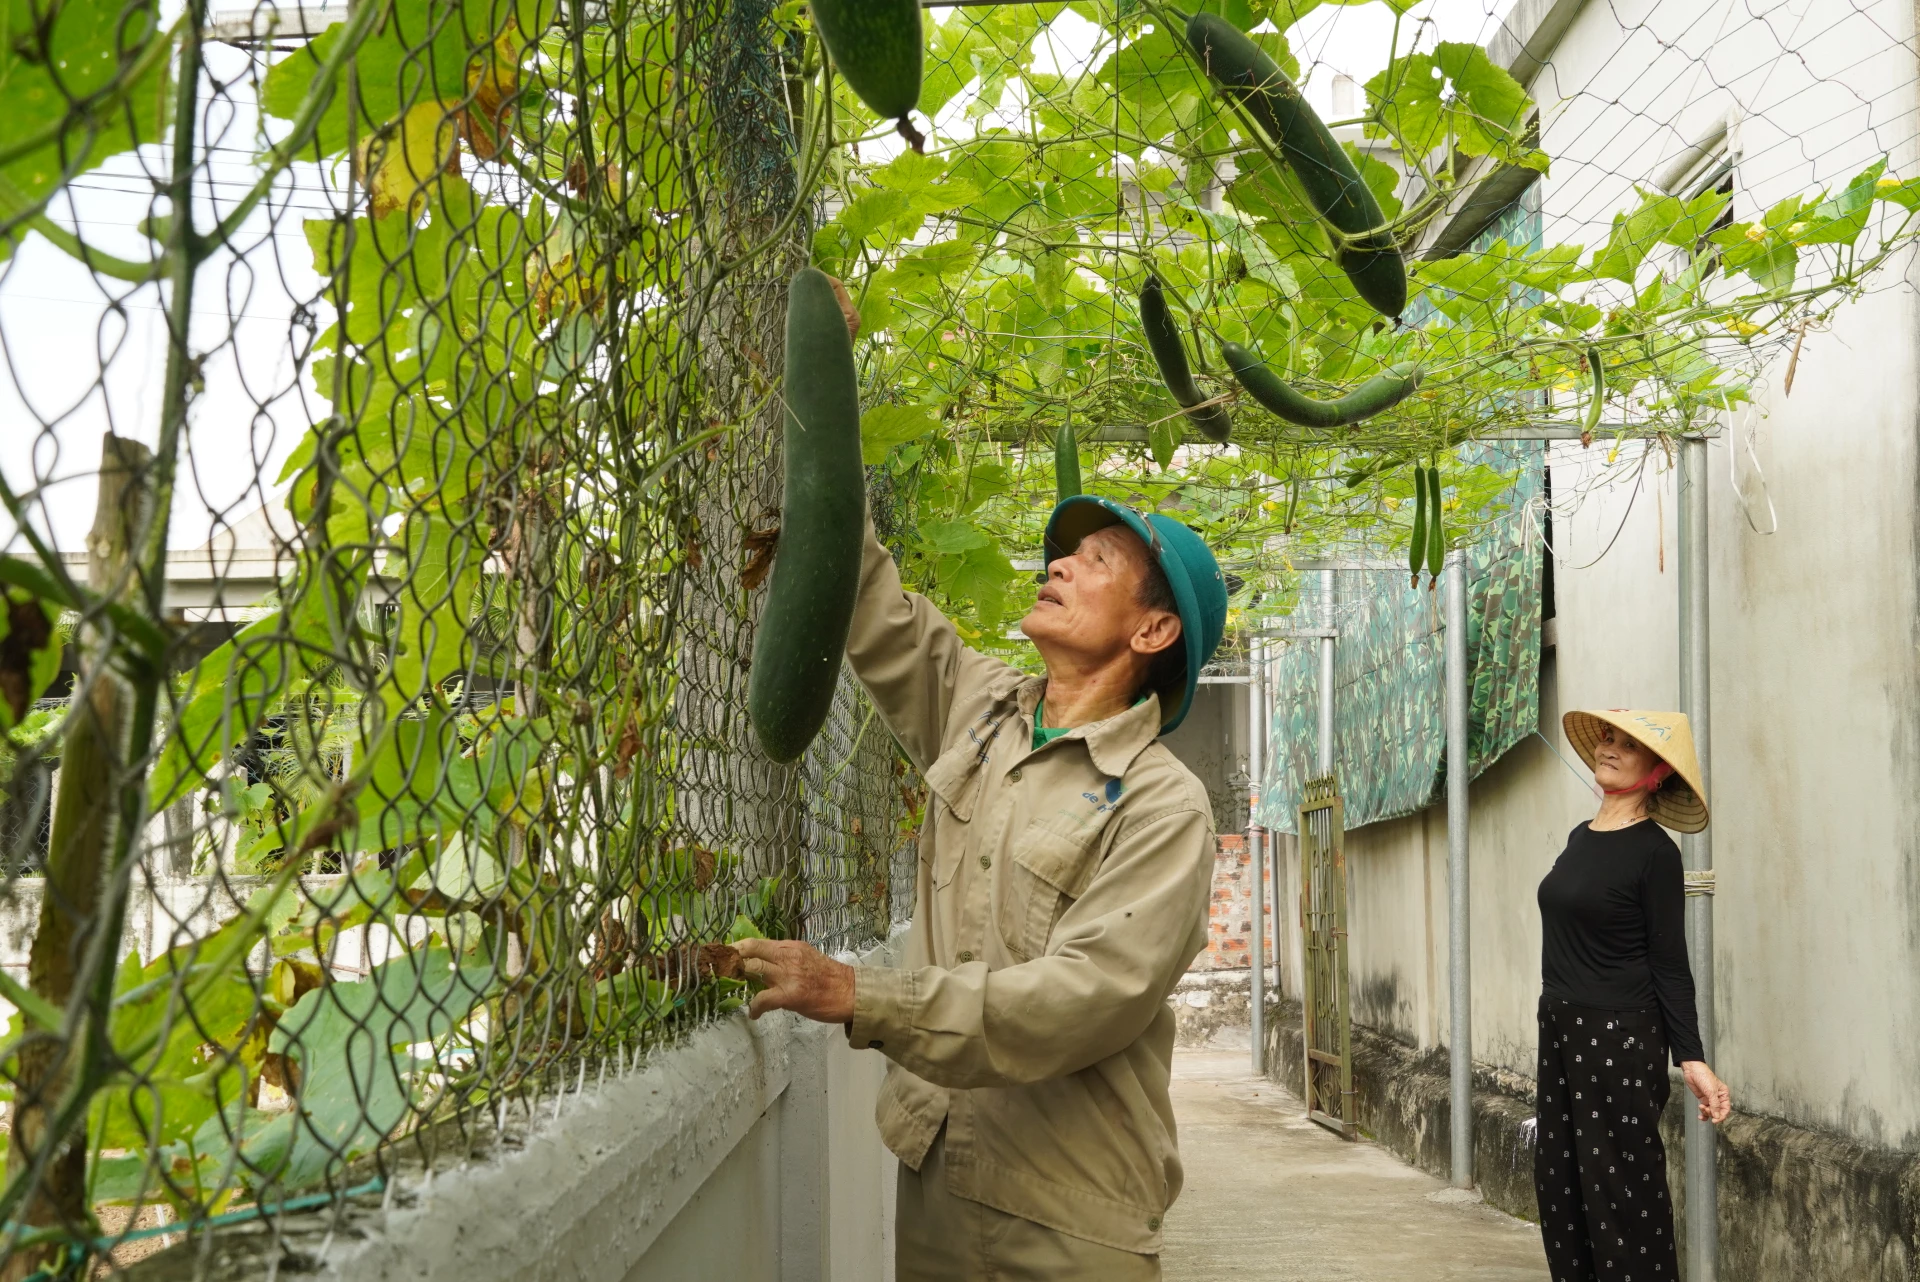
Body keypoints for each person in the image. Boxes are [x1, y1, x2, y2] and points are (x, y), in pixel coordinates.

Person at [735, 289, 1229, 1279]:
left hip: (1068, 1218)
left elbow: (1080, 997)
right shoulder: (985, 708)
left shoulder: (1165, 805)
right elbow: (872, 599)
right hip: (939, 1181)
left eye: (1094, 562)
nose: (1060, 565)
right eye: (1064, 551)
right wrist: (826, 365)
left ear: (1154, 630)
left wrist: (859, 992)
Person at [1535, 709, 1733, 1281]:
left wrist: (1691, 1058)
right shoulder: (1580, 837)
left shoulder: (1656, 854)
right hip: (1561, 1027)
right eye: (1608, 739)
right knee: (1561, 1180)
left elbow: (1671, 964)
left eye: (1629, 745)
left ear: (1657, 773)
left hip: (1619, 1035)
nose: (1610, 748)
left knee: (1621, 1188)